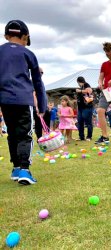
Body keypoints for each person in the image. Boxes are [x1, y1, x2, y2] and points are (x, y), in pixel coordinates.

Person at [0, 20, 47, 185]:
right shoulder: (28, 54)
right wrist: (42, 105)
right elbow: (37, 83)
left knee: (12, 134)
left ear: (6, 36)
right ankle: (25, 170)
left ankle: (16, 168)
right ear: (25, 37)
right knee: (25, 134)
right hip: (23, 99)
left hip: (4, 100)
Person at [33, 67, 51, 141]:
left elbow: (43, 95)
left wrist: (46, 105)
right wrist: (36, 107)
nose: (41, 74)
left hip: (44, 107)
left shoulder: (40, 81)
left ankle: (48, 138)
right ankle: (39, 139)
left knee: (46, 124)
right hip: (38, 108)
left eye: (42, 72)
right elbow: (33, 95)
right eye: (40, 72)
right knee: (38, 124)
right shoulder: (33, 82)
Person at [76, 76, 93, 141]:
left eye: (78, 82)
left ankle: (89, 136)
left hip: (87, 107)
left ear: (79, 81)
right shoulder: (81, 87)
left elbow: (89, 91)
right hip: (80, 107)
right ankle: (81, 137)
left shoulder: (86, 85)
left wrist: (79, 91)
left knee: (88, 122)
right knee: (80, 122)